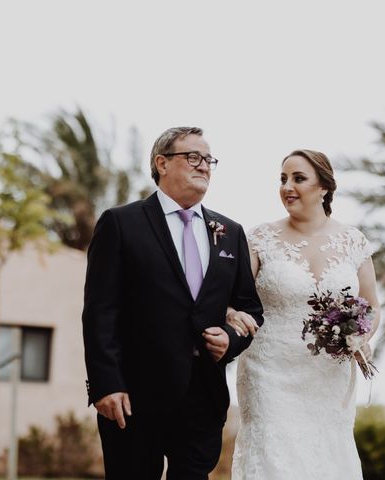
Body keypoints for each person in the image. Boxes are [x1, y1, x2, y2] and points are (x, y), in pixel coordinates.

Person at [81, 126, 264, 480]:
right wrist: (105, 383)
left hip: (203, 395)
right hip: (134, 396)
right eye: (193, 157)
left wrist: (230, 338)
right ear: (161, 163)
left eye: (209, 159)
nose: (204, 166)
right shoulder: (121, 223)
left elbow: (250, 308)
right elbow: (100, 310)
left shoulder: (231, 232)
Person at [226, 149, 381, 479]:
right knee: (273, 457)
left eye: (298, 178)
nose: (287, 187)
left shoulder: (353, 241)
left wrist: (361, 338)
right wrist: (230, 316)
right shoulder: (260, 238)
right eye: (282, 179)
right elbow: (232, 298)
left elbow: (372, 305)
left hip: (328, 375)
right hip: (268, 371)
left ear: (324, 187)